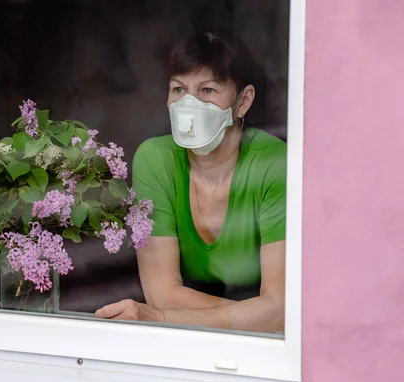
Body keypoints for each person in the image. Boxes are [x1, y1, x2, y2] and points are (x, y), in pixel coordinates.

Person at [95, 30, 286, 333]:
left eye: (208, 90)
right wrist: (255, 316)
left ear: (243, 101)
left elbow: (280, 312)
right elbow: (162, 295)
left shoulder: (274, 163)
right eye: (179, 89)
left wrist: (164, 320)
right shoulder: (156, 159)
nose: (189, 104)